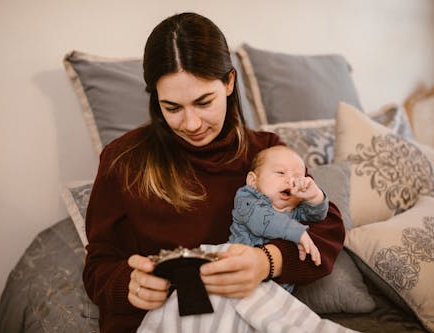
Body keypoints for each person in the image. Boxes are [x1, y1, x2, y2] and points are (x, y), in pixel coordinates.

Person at [83, 12, 345, 333]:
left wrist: (268, 261)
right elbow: (99, 264)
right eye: (173, 108)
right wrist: (128, 284)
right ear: (156, 100)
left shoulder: (265, 154)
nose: (191, 125)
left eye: (204, 102)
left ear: (229, 83)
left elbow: (326, 227)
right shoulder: (121, 159)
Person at [229, 145, 329, 293]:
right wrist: (298, 232)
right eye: (280, 173)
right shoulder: (247, 200)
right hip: (236, 275)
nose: (290, 180)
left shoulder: (295, 209)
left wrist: (315, 197)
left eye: (297, 177)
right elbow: (262, 220)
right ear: (253, 181)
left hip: (276, 291)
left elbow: (317, 217)